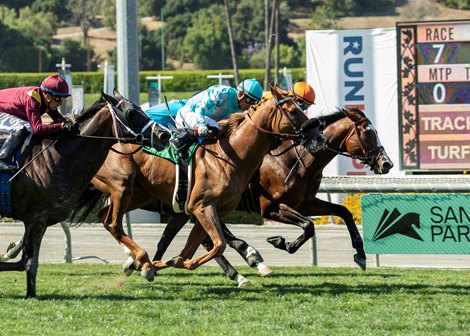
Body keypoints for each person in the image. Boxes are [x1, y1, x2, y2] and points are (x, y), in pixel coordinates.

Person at [0, 75, 78, 171]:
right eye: (58, 99)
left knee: (28, 128)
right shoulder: (32, 100)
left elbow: (58, 118)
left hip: (6, 110)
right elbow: (38, 129)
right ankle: (1, 159)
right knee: (23, 128)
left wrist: (69, 124)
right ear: (47, 96)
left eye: (63, 99)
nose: (61, 103)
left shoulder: (45, 99)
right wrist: (62, 125)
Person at [169, 78, 263, 150]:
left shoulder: (240, 109)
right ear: (240, 94)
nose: (250, 106)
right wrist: (201, 124)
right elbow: (200, 109)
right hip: (188, 115)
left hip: (207, 122)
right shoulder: (222, 93)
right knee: (217, 127)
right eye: (249, 101)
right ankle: (179, 140)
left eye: (255, 103)